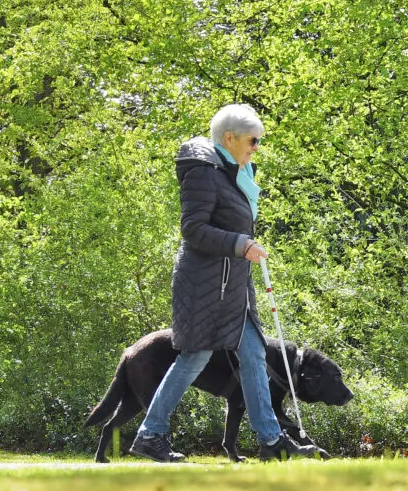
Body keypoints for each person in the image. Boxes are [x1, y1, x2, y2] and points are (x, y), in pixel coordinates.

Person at [129, 104, 315, 463]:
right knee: (196, 355)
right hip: (204, 284)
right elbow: (193, 229)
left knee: (253, 353)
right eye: (253, 140)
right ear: (229, 138)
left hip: (233, 284)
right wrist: (240, 244)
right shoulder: (203, 172)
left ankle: (271, 440)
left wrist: (242, 247)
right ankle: (150, 434)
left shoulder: (238, 172)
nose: (257, 147)